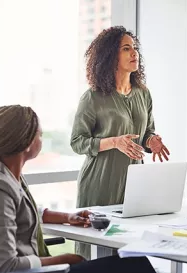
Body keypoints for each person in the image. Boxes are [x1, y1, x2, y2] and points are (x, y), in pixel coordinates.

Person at [0, 105, 187, 273]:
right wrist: (62, 259)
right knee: (133, 267)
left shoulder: (6, 174)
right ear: (25, 143)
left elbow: (25, 210)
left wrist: (66, 217)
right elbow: (7, 266)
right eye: (40, 135)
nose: (41, 140)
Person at [70, 26, 170, 259]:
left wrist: (152, 141)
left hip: (133, 184)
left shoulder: (143, 93)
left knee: (129, 251)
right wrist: (114, 142)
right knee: (95, 254)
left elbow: (146, 132)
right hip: (100, 183)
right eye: (126, 49)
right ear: (110, 56)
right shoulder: (93, 97)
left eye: (134, 48)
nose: (134, 53)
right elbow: (77, 142)